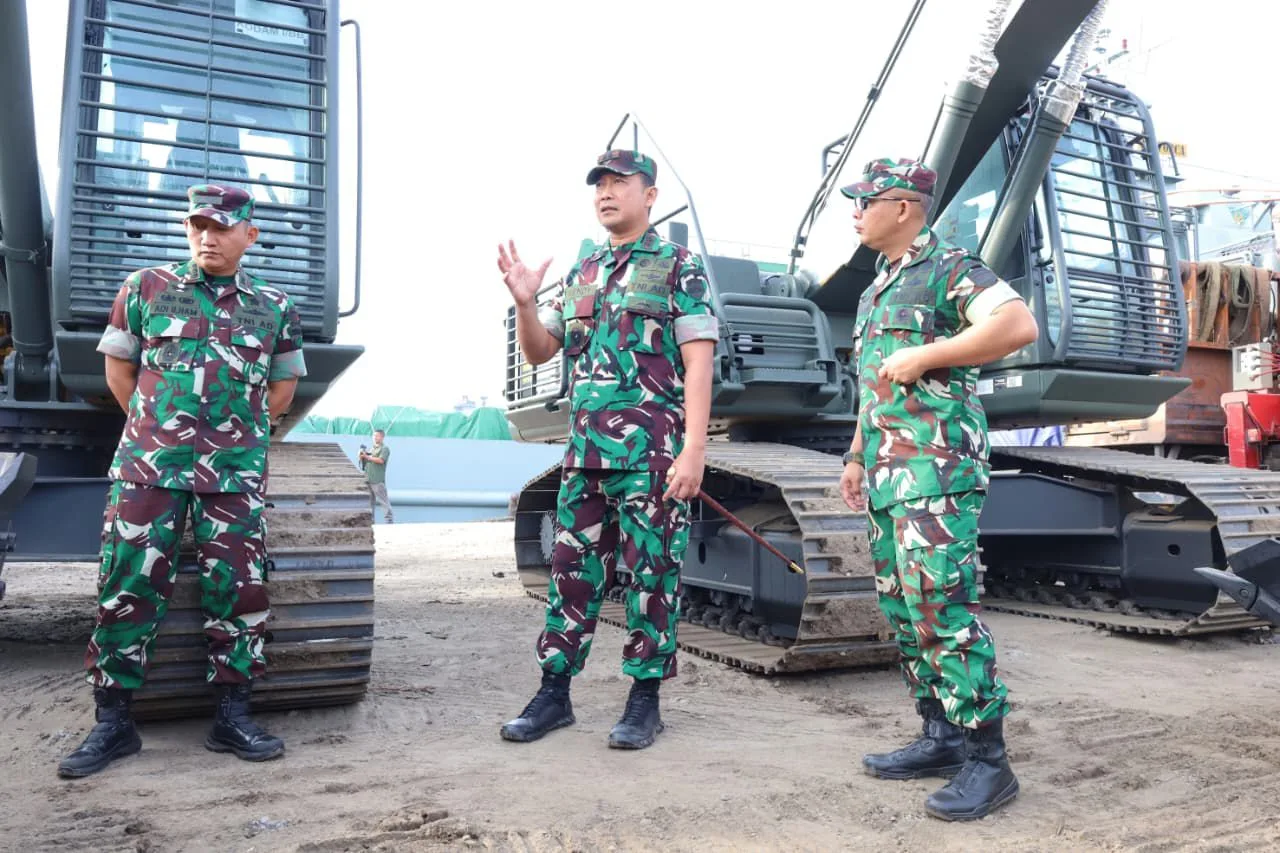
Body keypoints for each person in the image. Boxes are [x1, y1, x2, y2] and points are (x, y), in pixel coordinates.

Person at [57, 183, 307, 778]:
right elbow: (119, 372)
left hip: (233, 472)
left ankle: (232, 717)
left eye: (221, 227)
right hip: (150, 466)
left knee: (240, 590)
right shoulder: (145, 287)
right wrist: (157, 433)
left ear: (250, 234)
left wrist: (239, 435)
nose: (207, 237)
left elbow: (282, 387)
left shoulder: (274, 305)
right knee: (127, 583)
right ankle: (113, 724)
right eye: (198, 226)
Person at [835, 158, 1039, 821]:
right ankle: (941, 735)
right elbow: (874, 385)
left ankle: (989, 760)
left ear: (902, 207)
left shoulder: (950, 268)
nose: (856, 213)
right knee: (903, 609)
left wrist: (927, 354)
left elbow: (1016, 324)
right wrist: (857, 454)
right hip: (889, 471)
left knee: (941, 608)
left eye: (865, 201)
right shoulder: (876, 289)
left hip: (937, 468)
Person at [495, 149, 718, 750]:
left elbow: (699, 363)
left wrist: (694, 449)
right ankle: (554, 695)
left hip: (653, 455)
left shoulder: (678, 266)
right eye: (600, 184)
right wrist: (524, 303)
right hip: (585, 456)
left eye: (620, 183)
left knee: (652, 579)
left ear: (650, 195)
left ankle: (644, 700)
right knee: (571, 577)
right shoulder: (585, 269)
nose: (606, 192)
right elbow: (541, 351)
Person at [360, 429, 394, 523]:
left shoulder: (384, 449)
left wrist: (367, 457)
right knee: (370, 503)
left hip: (377, 480)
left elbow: (381, 460)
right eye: (374, 436)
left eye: (377, 436)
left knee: (384, 502)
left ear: (382, 437)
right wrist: (362, 457)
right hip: (368, 479)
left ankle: (389, 522)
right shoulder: (372, 449)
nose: (375, 438)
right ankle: (371, 522)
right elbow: (368, 461)